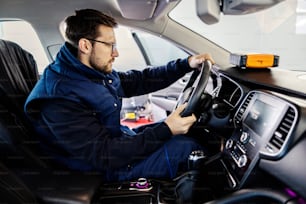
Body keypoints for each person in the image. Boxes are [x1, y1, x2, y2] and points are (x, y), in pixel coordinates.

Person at [24, 9, 214, 182]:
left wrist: (185, 64)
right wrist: (166, 129)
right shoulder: (60, 96)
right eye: (109, 45)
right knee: (187, 148)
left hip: (118, 141)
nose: (116, 53)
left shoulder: (91, 71)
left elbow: (137, 80)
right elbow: (104, 155)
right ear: (85, 45)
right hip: (102, 167)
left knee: (187, 132)